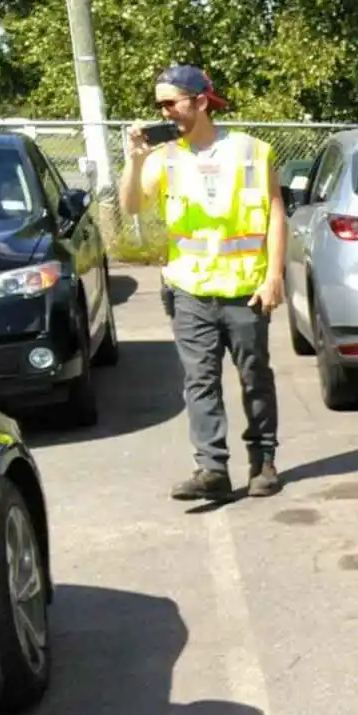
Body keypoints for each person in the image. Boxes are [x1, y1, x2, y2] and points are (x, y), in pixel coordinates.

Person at [119, 64, 287, 500]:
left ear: (199, 100)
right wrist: (133, 161)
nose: (165, 112)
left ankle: (263, 460)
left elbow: (275, 213)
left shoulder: (252, 151)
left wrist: (274, 277)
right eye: (159, 105)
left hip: (245, 289)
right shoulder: (163, 158)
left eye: (170, 103)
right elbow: (132, 205)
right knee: (200, 380)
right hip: (189, 290)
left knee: (255, 377)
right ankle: (211, 467)